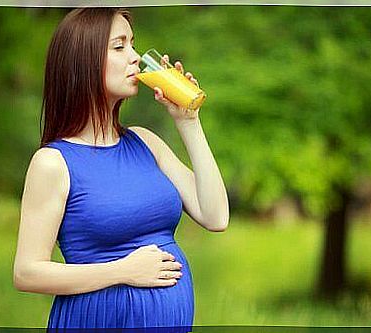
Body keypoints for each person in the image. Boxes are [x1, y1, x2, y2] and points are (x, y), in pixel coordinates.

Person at [13, 7, 229, 330]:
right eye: (120, 46)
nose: (136, 57)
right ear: (83, 62)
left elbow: (216, 216)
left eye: (132, 44)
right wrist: (123, 271)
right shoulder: (53, 163)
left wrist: (190, 123)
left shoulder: (145, 142)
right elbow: (26, 272)